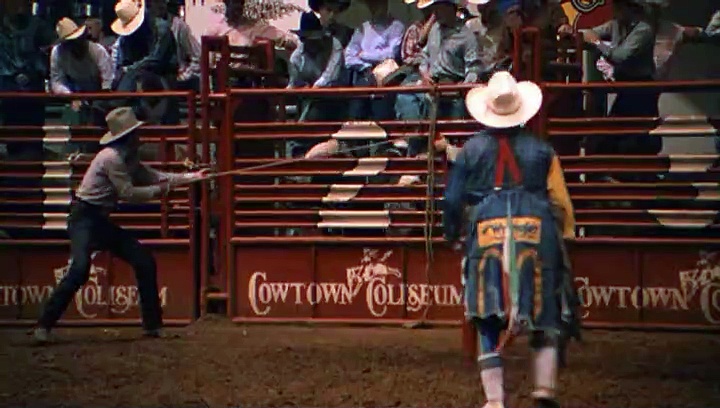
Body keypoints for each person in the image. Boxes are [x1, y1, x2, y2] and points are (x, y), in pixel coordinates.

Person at [443, 71, 576, 408]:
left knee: (486, 313)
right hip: (537, 224)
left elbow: (452, 199)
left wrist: (452, 234)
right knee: (546, 305)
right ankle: (544, 388)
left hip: (486, 226)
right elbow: (560, 202)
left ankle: (495, 400)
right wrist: (562, 237)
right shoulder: (543, 150)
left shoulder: (471, 150)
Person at [32, 107, 209, 344]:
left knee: (143, 260)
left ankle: (153, 326)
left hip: (97, 218)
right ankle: (44, 325)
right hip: (84, 217)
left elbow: (152, 176)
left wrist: (193, 177)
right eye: (135, 133)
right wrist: (163, 190)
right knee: (80, 269)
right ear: (127, 137)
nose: (139, 137)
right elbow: (129, 193)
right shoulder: (111, 158)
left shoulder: (127, 157)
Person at [395, 0, 482, 158]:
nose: (435, 12)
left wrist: (461, 87)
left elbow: (473, 68)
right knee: (405, 95)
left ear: (450, 8)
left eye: (439, 8)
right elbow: (425, 55)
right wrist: (424, 74)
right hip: (430, 82)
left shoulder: (467, 37)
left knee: (447, 107)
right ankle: (416, 139)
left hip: (452, 87)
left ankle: (426, 146)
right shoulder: (434, 29)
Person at [580, 0, 660, 157]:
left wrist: (597, 42)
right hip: (627, 86)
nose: (615, 10)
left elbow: (620, 56)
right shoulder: (616, 24)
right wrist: (575, 32)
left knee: (636, 136)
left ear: (630, 7)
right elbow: (590, 33)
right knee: (617, 133)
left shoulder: (644, 30)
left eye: (618, 6)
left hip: (641, 88)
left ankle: (640, 167)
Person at [0, 0, 56, 160]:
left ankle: (33, 159)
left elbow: (51, 47)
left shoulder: (38, 25)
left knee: (33, 132)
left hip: (33, 85)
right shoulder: (2, 28)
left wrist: (38, 65)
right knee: (12, 132)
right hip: (8, 87)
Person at [111, 0, 180, 124]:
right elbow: (122, 62)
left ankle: (116, 105)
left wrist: (130, 69)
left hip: (163, 77)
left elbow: (156, 60)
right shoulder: (125, 39)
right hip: (136, 82)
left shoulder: (162, 30)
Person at [287, 11, 345, 155]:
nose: (312, 43)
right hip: (308, 101)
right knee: (310, 109)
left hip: (336, 97)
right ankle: (300, 147)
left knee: (315, 109)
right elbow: (295, 83)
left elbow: (331, 75)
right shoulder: (296, 58)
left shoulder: (334, 45)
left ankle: (299, 146)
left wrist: (313, 88)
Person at [344, 0, 405, 123]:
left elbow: (391, 53)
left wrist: (363, 55)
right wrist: (366, 67)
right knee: (357, 105)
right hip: (364, 73)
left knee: (381, 111)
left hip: (387, 75)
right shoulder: (363, 28)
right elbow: (349, 57)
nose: (374, 8)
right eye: (371, 4)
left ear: (385, 4)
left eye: (377, 4)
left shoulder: (397, 26)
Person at [50, 17, 113, 129]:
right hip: (73, 93)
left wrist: (100, 99)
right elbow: (57, 81)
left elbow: (108, 79)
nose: (75, 44)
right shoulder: (57, 52)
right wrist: (71, 96)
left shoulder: (97, 50)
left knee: (97, 118)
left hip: (99, 94)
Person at [152, 0, 202, 91]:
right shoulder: (143, 29)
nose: (158, 5)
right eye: (154, 2)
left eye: (160, 2)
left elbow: (198, 56)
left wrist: (183, 76)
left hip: (173, 82)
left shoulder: (179, 26)